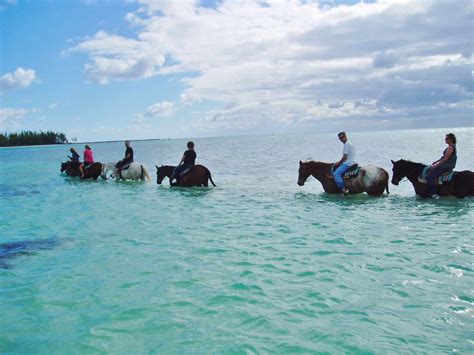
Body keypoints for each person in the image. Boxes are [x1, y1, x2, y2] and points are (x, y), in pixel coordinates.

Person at [426, 133, 457, 199]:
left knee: (430, 176)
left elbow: (445, 159)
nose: (445, 139)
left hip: (446, 166)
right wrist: (436, 161)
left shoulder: (450, 148)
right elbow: (443, 157)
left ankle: (434, 194)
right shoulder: (452, 146)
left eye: (446, 138)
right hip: (447, 165)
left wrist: (436, 166)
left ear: (451, 139)